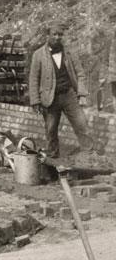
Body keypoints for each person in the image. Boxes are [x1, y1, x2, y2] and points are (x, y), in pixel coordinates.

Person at [29, 22, 105, 158]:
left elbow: (80, 74)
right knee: (51, 130)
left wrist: (82, 94)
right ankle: (53, 158)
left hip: (69, 95)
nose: (57, 37)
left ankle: (89, 155)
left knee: (82, 124)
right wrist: (35, 101)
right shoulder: (38, 55)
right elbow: (33, 79)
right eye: (54, 34)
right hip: (49, 98)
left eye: (60, 35)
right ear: (48, 35)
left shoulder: (70, 52)